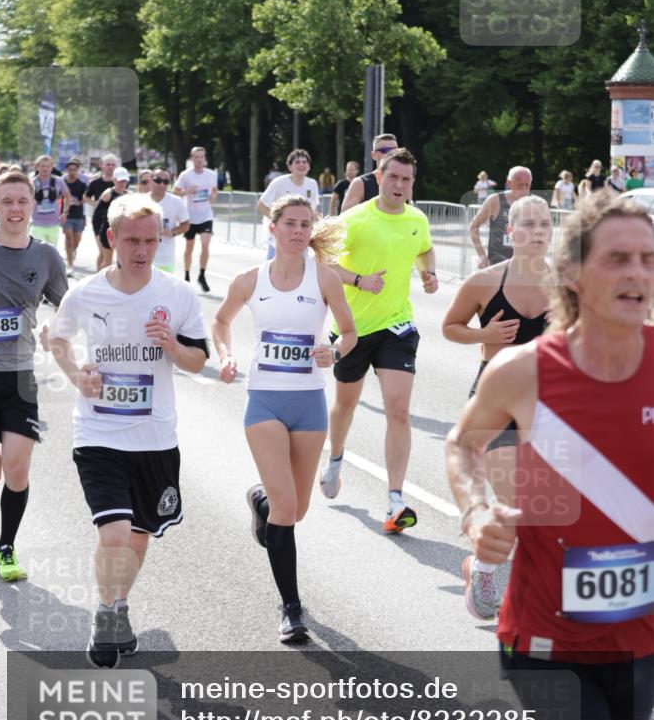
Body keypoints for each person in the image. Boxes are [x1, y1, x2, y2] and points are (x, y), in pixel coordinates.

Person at [446, 193, 654, 720]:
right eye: (618, 259)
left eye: (648, 259)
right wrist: (476, 512)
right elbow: (462, 444)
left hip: (640, 636)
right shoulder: (523, 371)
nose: (637, 274)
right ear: (572, 273)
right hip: (546, 640)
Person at [50, 194, 209, 668]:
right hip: (98, 431)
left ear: (160, 239)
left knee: (139, 534)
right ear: (111, 238)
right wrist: (77, 376)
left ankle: (119, 604)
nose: (142, 250)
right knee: (115, 530)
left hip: (154, 435)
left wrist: (173, 346)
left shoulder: (177, 294)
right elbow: (58, 338)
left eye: (150, 240)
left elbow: (198, 361)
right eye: (132, 240)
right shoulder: (86, 293)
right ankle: (104, 614)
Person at [212, 195, 356, 643]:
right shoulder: (249, 280)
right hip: (265, 401)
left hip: (309, 402)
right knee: (287, 508)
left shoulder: (324, 277)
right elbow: (220, 322)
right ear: (272, 228)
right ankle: (291, 609)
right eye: (289, 223)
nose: (297, 231)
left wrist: (333, 351)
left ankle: (260, 501)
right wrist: (225, 355)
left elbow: (350, 332)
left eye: (305, 224)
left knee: (296, 509)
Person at [442, 195, 552, 618]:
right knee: (518, 500)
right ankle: (525, 602)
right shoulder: (485, 282)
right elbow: (450, 327)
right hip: (496, 401)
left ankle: (482, 566)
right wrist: (483, 334)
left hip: (547, 404)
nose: (538, 232)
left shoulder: (568, 286)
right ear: (510, 231)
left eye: (544, 224)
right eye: (528, 224)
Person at [319, 148, 438, 532]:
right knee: (345, 405)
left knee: (399, 410)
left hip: (397, 327)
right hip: (352, 329)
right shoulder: (355, 219)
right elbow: (323, 261)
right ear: (380, 177)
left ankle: (395, 501)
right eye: (393, 177)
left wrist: (430, 273)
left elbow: (425, 250)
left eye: (406, 179)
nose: (399, 185)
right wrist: (359, 281)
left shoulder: (417, 219)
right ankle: (336, 458)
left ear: (413, 183)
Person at [0, 172, 67, 582]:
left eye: (22, 201)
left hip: (19, 378)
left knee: (17, 470)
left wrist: (58, 328)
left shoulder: (47, 257)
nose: (15, 209)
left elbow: (68, 306)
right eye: (7, 201)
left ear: (33, 205)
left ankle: (6, 548)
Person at [258, 150, 319, 260]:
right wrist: (280, 221)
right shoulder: (279, 183)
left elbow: (313, 211)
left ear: (309, 166)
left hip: (300, 234)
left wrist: (319, 226)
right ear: (290, 166)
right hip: (279, 234)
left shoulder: (312, 184)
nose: (301, 164)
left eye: (304, 162)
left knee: (300, 264)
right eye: (297, 162)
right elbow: (261, 205)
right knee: (275, 264)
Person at [469, 165, 533, 268]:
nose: (524, 189)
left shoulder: (534, 203)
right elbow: (474, 226)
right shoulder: (495, 201)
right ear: (509, 183)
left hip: (525, 266)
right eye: (520, 185)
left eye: (527, 185)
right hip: (498, 266)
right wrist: (482, 256)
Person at [174, 146, 218, 293]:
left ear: (205, 159)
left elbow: (214, 191)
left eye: (201, 157)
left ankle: (202, 275)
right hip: (190, 216)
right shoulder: (186, 175)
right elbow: (176, 191)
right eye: (196, 157)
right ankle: (186, 275)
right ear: (192, 159)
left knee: (205, 244)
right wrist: (187, 191)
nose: (199, 160)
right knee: (189, 247)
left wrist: (213, 196)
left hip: (206, 215)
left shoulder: (211, 174)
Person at [341, 134, 399, 212]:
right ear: (374, 155)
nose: (391, 154)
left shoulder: (404, 181)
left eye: (395, 151)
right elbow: (345, 216)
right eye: (385, 150)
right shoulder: (361, 183)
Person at [148, 167, 189, 273]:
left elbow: (186, 224)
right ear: (151, 180)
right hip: (144, 257)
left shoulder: (176, 202)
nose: (162, 184)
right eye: (158, 180)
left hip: (165, 260)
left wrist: (173, 232)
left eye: (166, 182)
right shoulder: (141, 201)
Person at [84, 153, 118, 270]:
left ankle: (100, 274)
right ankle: (100, 275)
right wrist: (96, 204)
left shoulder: (119, 182)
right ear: (102, 165)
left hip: (114, 220)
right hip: (99, 220)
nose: (110, 167)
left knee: (106, 252)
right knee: (103, 251)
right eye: (108, 164)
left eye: (113, 164)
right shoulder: (96, 182)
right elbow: (85, 197)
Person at [29, 155, 71, 247]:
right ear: (37, 167)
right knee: (39, 250)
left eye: (48, 166)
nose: (45, 169)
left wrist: (65, 212)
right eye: (42, 166)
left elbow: (67, 196)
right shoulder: (32, 182)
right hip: (37, 224)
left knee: (51, 251)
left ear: (52, 167)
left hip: (54, 224)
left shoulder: (58, 181)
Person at [96, 167, 130, 269]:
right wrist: (97, 232)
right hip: (108, 231)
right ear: (114, 180)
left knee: (122, 260)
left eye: (124, 181)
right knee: (108, 262)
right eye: (120, 181)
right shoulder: (108, 194)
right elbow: (97, 214)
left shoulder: (129, 195)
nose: (122, 184)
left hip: (123, 231)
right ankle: (99, 276)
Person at [61, 157, 88, 276]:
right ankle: (70, 265)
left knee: (77, 241)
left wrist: (80, 202)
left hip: (79, 216)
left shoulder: (82, 185)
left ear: (78, 171)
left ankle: (72, 251)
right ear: (66, 171)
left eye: (74, 170)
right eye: (70, 170)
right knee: (69, 239)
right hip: (67, 216)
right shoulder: (63, 184)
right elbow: (58, 198)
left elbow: (87, 198)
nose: (72, 172)